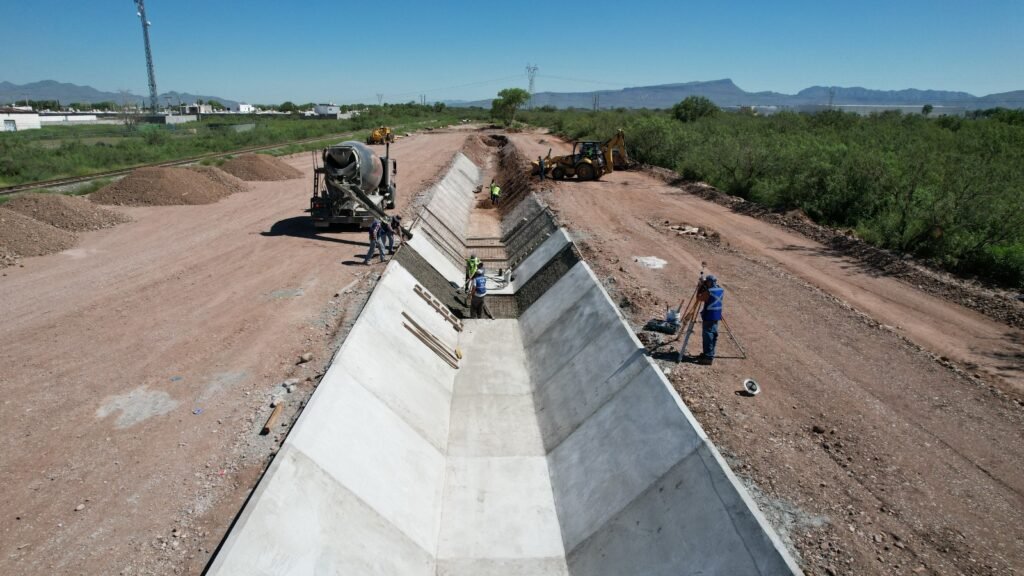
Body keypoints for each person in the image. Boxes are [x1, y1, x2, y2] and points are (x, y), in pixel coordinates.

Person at [696, 275, 724, 364]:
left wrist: (700, 287)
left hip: (709, 316)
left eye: (707, 282)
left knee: (708, 336)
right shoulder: (720, 289)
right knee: (713, 334)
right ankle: (709, 354)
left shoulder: (709, 291)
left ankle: (708, 357)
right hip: (717, 315)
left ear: (709, 282)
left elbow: (699, 298)